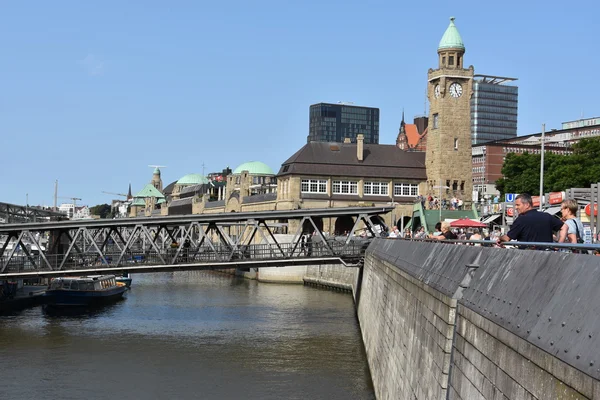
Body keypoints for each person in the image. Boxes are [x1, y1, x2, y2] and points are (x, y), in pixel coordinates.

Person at [497, 193, 563, 245]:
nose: (516, 208)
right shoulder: (547, 216)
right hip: (548, 256)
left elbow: (507, 238)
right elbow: (565, 227)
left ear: (527, 205)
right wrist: (559, 245)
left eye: (518, 205)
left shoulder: (521, 220)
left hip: (528, 256)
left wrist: (500, 238)